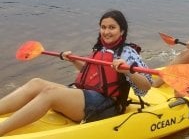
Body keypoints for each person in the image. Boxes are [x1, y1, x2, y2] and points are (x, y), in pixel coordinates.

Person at [0, 9, 152, 136]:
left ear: (122, 31)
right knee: (36, 82)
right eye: (103, 27)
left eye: (112, 27)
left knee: (50, 93)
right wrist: (73, 60)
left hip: (108, 105)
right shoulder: (100, 48)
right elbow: (92, 74)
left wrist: (127, 71)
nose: (106, 32)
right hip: (89, 96)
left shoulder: (128, 53)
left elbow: (146, 86)